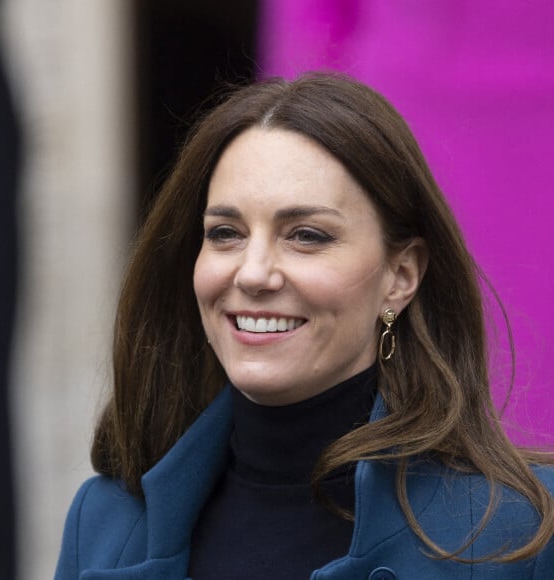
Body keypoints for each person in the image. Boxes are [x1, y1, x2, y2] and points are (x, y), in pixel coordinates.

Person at [54, 73, 554, 579]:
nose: (252, 273)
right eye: (225, 233)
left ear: (400, 276)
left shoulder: (522, 530)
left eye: (307, 236)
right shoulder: (103, 523)